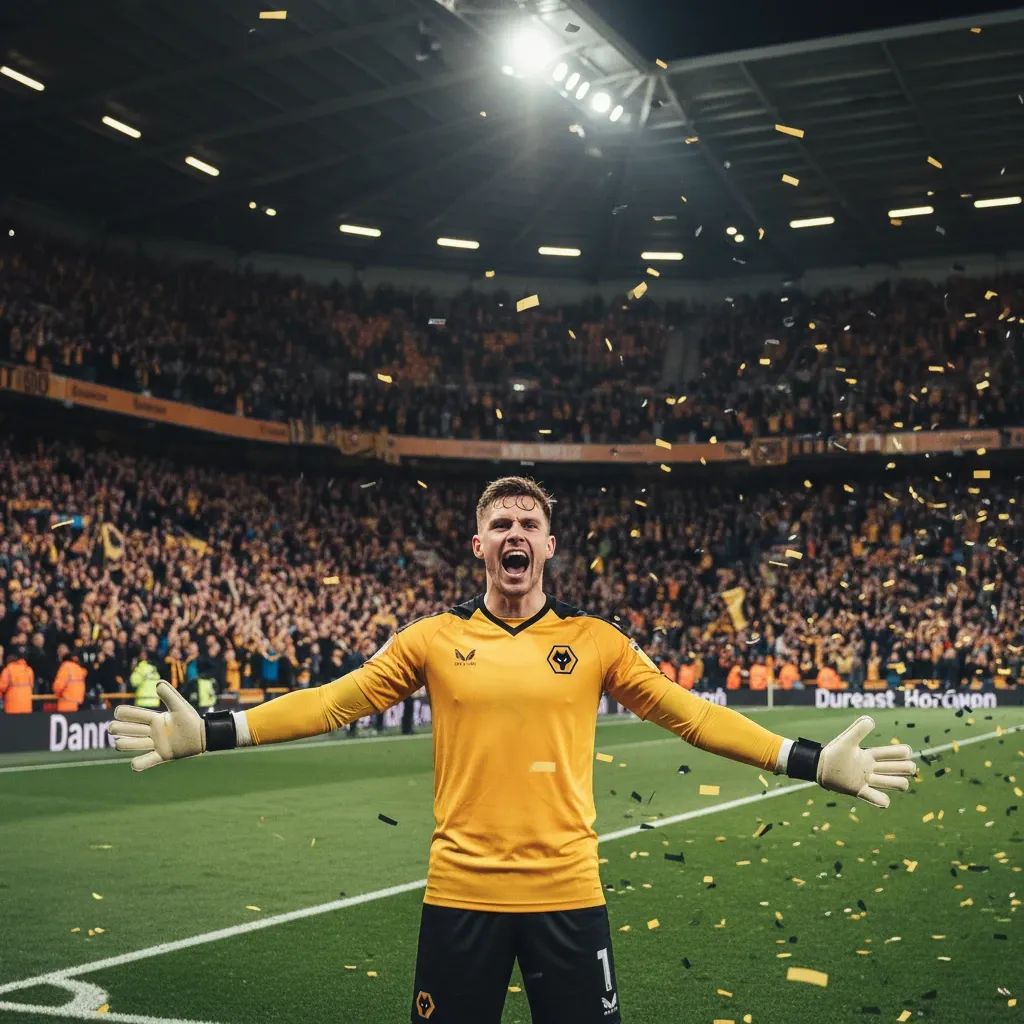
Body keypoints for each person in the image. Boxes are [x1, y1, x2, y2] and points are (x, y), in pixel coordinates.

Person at [110, 476, 918, 1024]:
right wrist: (212, 730)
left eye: (529, 523)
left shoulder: (596, 642)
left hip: (569, 894)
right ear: (478, 546)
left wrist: (811, 760)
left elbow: (692, 716)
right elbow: (332, 703)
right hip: (460, 898)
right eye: (500, 523)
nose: (515, 532)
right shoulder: (431, 638)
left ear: (550, 544)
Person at [0, 646, 35, 714]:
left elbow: (1, 687)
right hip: (26, 707)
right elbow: (32, 687)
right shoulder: (29, 671)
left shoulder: (8, 670)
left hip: (11, 708)